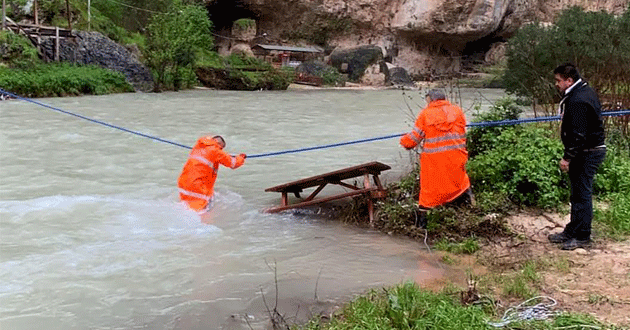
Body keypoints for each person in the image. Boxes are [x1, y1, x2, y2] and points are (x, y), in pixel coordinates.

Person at [548, 63, 606, 250]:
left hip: (587, 152)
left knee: (582, 195)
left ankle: (582, 235)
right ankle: (572, 229)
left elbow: (579, 134)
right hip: (585, 150)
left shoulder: (578, 100)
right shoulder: (580, 92)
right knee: (577, 194)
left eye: (558, 80)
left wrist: (567, 157)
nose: (556, 84)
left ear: (569, 80)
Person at [399, 89, 472, 228]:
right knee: (460, 183)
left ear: (431, 100)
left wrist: (403, 141)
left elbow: (413, 140)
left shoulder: (425, 114)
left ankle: (422, 227)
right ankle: (469, 209)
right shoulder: (457, 111)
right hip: (457, 157)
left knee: (429, 193)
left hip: (434, 163)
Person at [178, 135, 246, 213]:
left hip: (184, 182)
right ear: (219, 144)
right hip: (197, 185)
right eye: (222, 148)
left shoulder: (199, 145)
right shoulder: (215, 151)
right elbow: (233, 163)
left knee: (185, 206)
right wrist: (241, 157)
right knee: (199, 211)